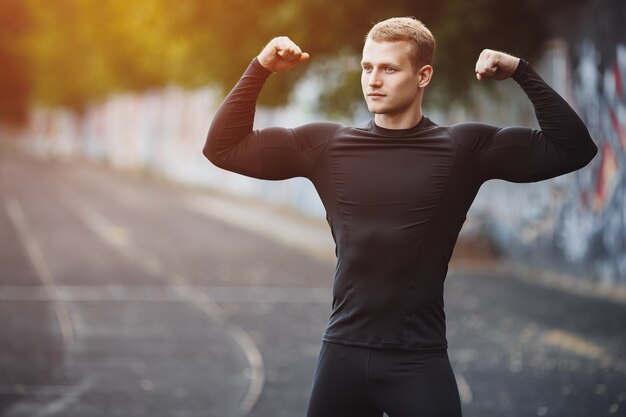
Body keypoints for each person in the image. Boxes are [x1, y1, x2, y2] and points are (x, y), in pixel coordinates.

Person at [204, 17, 597, 417]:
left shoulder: (462, 149)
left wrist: (520, 71)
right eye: (367, 67)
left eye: (389, 68)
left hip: (418, 361)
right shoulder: (327, 146)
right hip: (343, 355)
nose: (374, 80)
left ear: (423, 75)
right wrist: (261, 67)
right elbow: (223, 148)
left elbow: (573, 148)